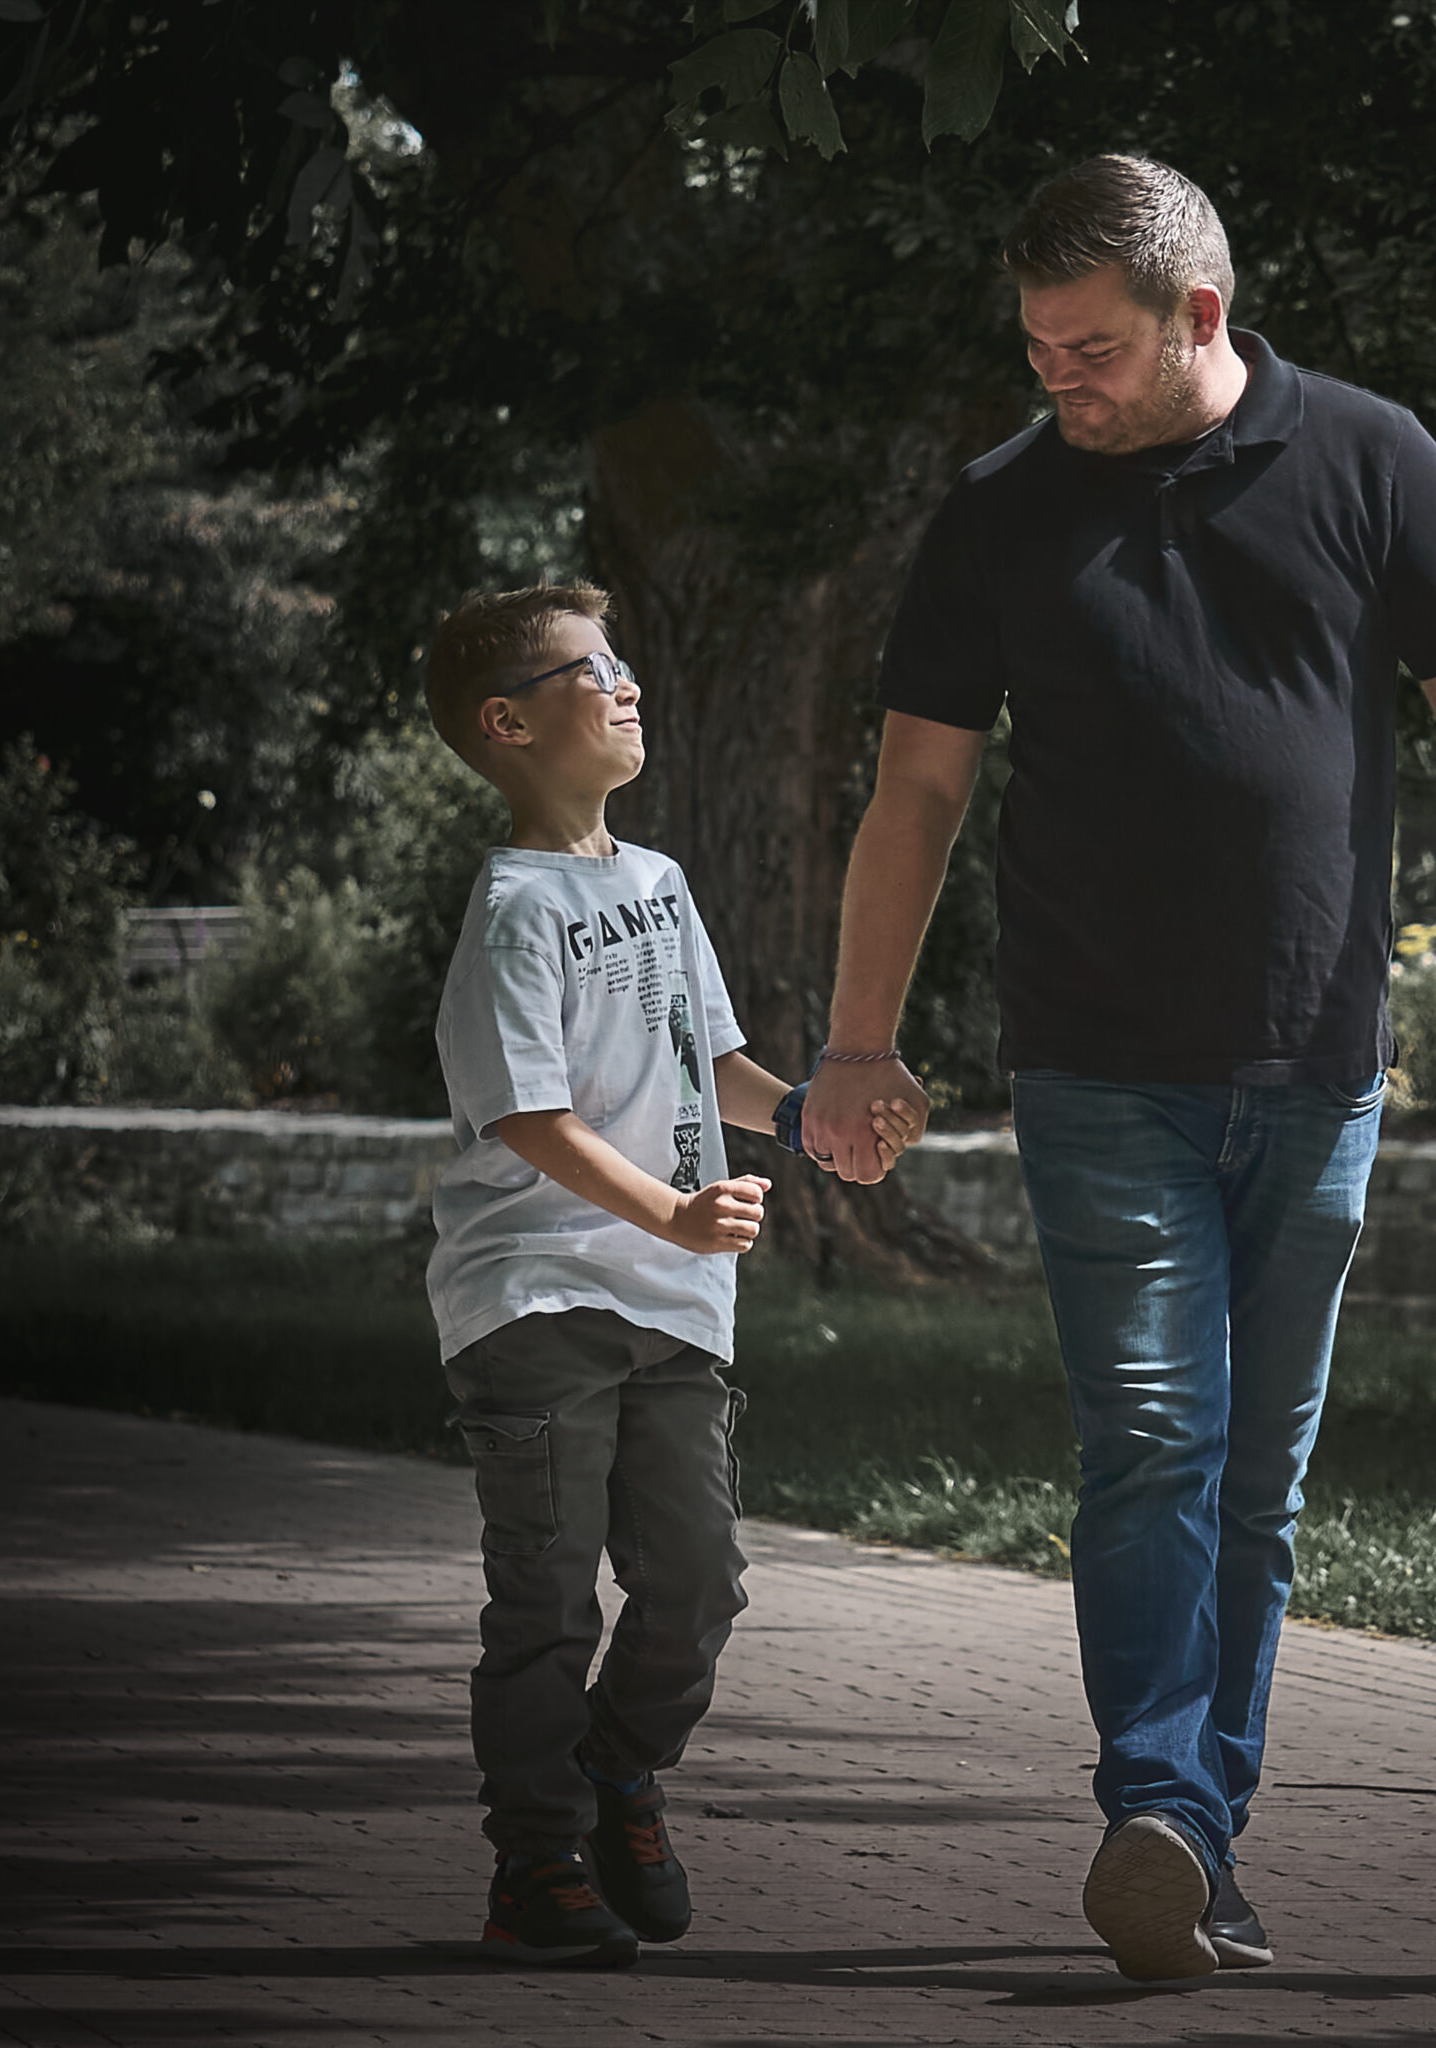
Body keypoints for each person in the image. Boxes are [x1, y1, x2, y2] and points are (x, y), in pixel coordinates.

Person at [799, 155, 1436, 1981]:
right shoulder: (999, 510)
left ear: (1200, 316)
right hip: (1097, 1065)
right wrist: (855, 1034)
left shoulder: (1373, 461)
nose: (1055, 380)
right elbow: (917, 786)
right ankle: (1154, 1795)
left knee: (1257, 1478)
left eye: (1089, 350)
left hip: (1320, 1057)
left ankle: (1200, 1840)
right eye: (1038, 349)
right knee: (1153, 1435)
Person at [420, 581, 916, 1967]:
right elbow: (528, 1115)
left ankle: (616, 1774)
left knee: (698, 1584)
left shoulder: (659, 884)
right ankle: (534, 1867)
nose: (630, 684)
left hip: (673, 1309)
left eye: (628, 662)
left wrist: (820, 1109)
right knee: (548, 1598)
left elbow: (711, 1060)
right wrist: (673, 1213)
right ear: (509, 723)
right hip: (534, 1299)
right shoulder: (515, 905)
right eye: (596, 670)